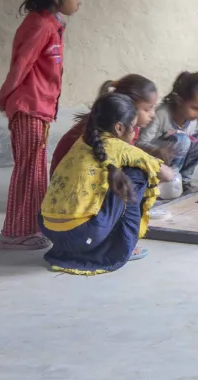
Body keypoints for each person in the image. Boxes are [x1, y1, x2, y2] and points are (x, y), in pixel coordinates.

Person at [0, 0, 85, 251]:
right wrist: (4, 96)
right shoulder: (40, 26)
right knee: (29, 170)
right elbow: (21, 65)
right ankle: (20, 232)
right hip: (28, 108)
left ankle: (24, 228)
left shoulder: (51, 25)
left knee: (33, 168)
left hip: (39, 109)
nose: (79, 2)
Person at [40, 90, 169, 275]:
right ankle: (121, 246)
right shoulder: (120, 148)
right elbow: (167, 175)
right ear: (119, 128)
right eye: (133, 127)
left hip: (50, 231)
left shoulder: (81, 141)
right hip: (81, 236)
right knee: (138, 173)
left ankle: (84, 246)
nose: (134, 132)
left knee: (115, 178)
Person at [140, 71, 198, 199]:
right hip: (159, 165)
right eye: (195, 108)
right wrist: (155, 150)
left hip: (177, 163)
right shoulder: (161, 114)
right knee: (182, 140)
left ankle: (183, 181)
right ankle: (166, 183)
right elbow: (139, 143)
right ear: (179, 101)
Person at [50, 75, 160, 171]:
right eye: (147, 109)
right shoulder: (104, 133)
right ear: (127, 106)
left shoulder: (125, 127)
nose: (153, 115)